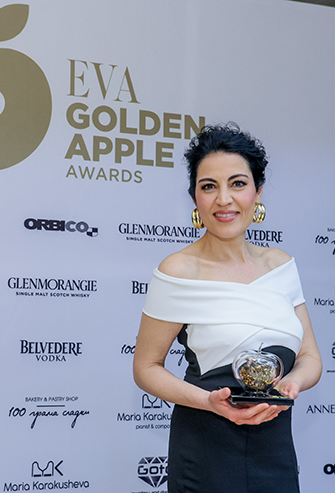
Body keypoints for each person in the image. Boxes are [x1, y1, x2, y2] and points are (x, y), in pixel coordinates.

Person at [133, 123, 322, 493]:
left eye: (237, 183)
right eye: (209, 186)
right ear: (194, 197)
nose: (224, 199)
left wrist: (292, 384)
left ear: (257, 191)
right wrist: (208, 401)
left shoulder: (280, 265)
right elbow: (146, 367)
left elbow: (310, 357)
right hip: (206, 449)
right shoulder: (178, 270)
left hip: (275, 449)